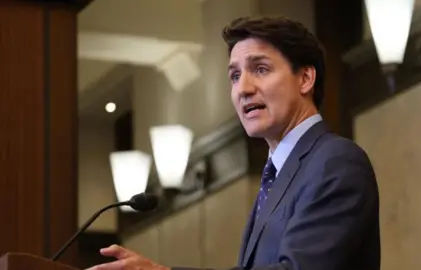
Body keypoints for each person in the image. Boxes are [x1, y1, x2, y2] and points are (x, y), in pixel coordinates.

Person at [87, 16, 380, 270]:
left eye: (261, 69)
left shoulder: (336, 161)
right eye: (235, 75)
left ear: (305, 78)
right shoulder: (276, 175)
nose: (243, 89)